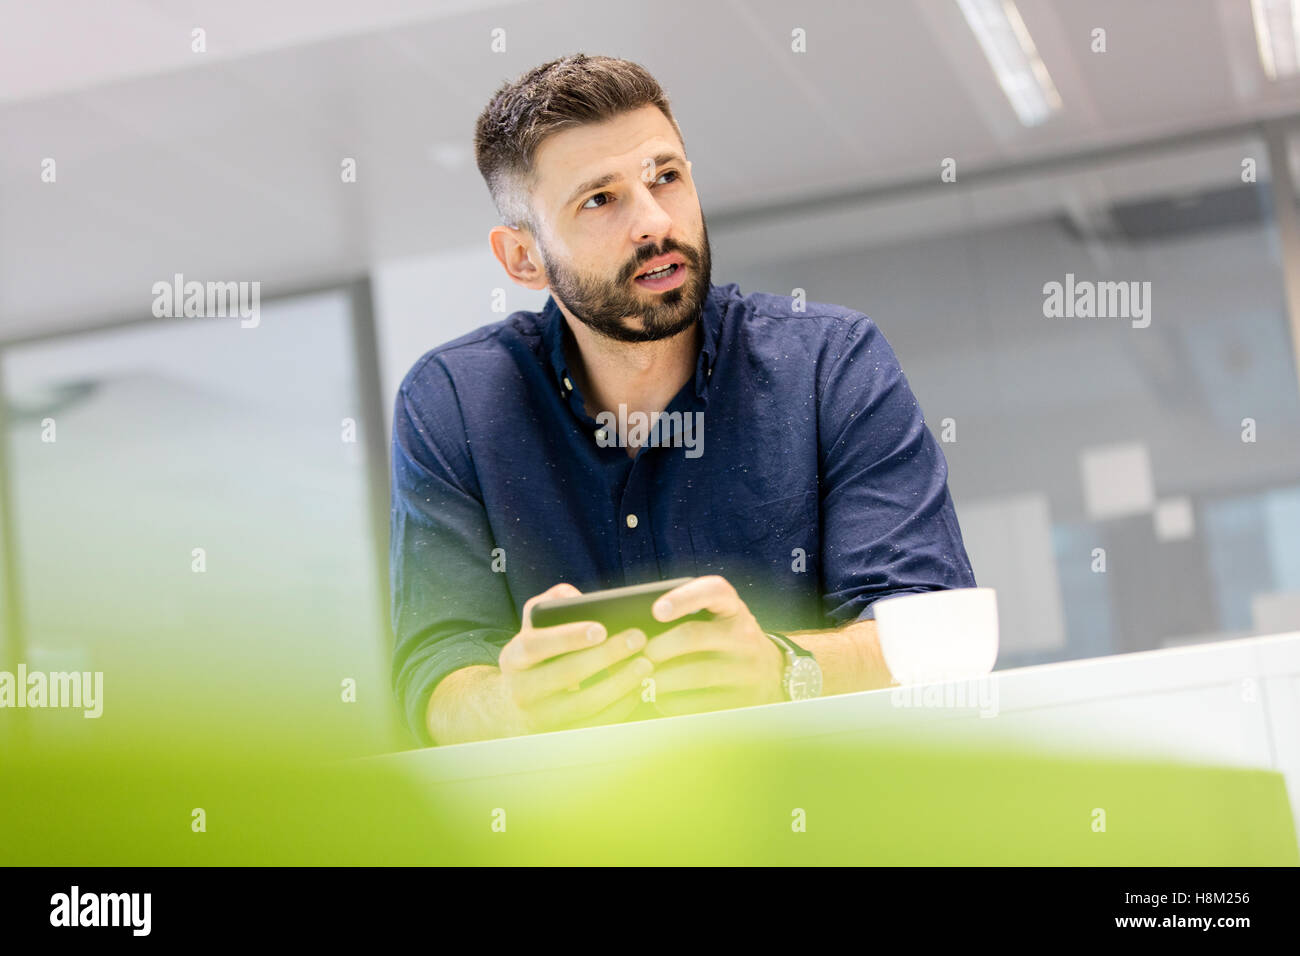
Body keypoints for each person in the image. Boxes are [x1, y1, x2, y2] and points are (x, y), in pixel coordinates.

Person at [390, 53, 976, 747]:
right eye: (599, 200)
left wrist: (783, 672)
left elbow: (937, 632)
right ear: (524, 258)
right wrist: (512, 705)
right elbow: (436, 666)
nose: (654, 222)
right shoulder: (453, 402)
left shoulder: (829, 362)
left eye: (666, 178)